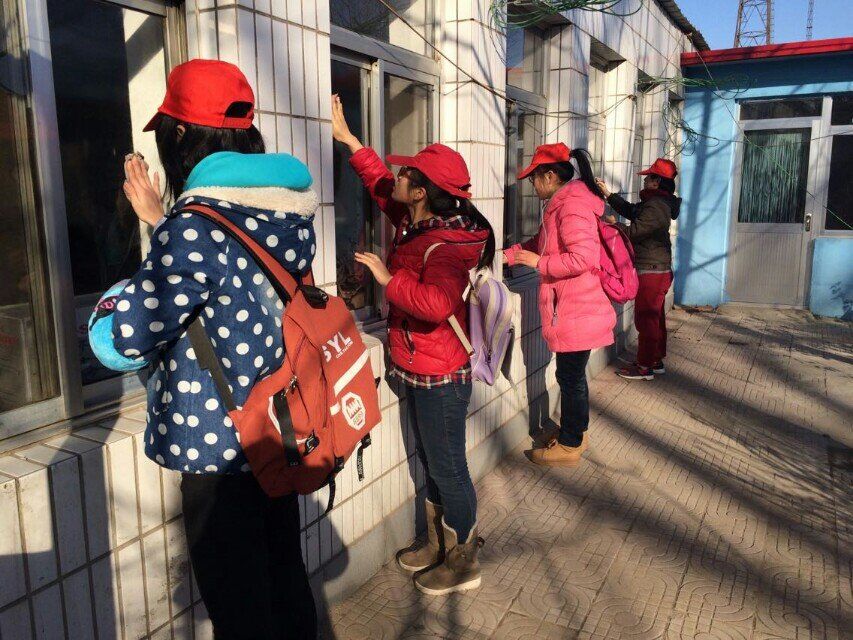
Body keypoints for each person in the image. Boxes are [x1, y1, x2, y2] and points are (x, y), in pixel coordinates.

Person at [113, 60, 318, 639]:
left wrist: (118, 293)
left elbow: (130, 334)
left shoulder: (193, 228)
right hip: (275, 430)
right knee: (284, 578)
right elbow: (229, 287)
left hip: (217, 450)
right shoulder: (286, 213)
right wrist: (164, 221)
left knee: (239, 606)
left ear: (181, 134)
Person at [331, 94, 495, 596]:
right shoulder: (416, 221)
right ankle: (438, 542)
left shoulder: (442, 245)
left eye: (408, 174)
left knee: (448, 465)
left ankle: (464, 557)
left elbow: (438, 303)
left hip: (442, 373)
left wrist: (388, 278)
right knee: (430, 457)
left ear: (422, 192)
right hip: (420, 365)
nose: (398, 177)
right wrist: (351, 142)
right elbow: (382, 185)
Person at [503, 143, 615, 467]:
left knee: (570, 378)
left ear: (550, 176)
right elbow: (541, 244)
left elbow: (583, 258)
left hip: (577, 307)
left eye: (534, 179)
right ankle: (576, 432)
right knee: (572, 376)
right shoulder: (559, 205)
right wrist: (507, 256)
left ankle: (570, 444)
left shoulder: (571, 206)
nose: (532, 185)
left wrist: (539, 263)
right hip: (573, 307)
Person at [596, 158, 681, 381]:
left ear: (656, 182)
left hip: (652, 271)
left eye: (648, 177)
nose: (644, 181)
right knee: (655, 318)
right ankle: (654, 360)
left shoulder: (656, 205)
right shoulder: (657, 203)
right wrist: (608, 194)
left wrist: (614, 225)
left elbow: (636, 231)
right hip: (657, 269)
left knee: (646, 319)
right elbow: (632, 211)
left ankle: (644, 367)